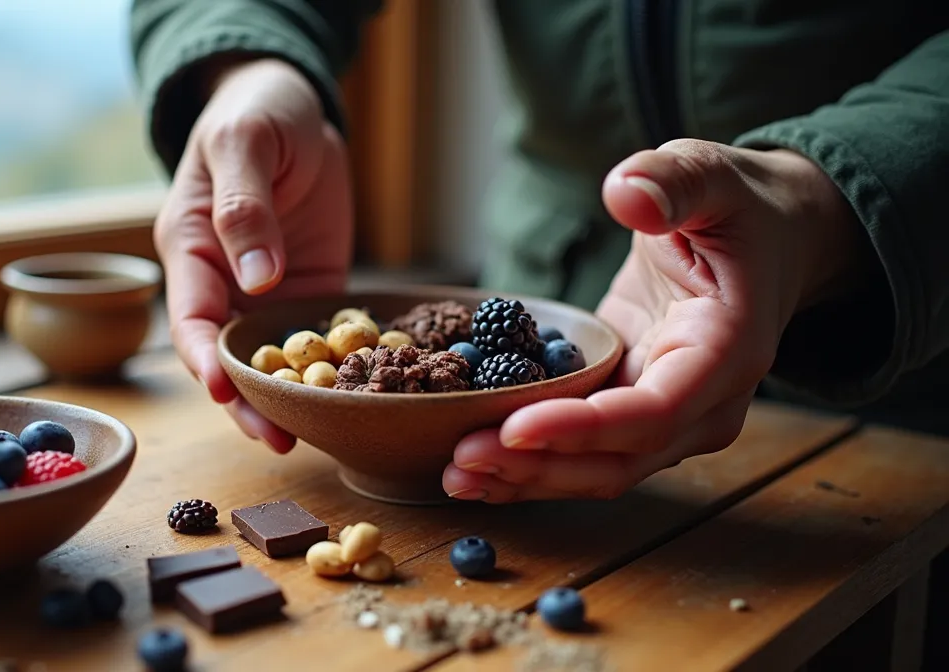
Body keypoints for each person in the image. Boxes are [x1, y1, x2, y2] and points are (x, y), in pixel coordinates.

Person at [127, 0, 949, 504]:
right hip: (553, 325)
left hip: (900, 385)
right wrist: (246, 65)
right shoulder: (463, 350)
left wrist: (828, 200)